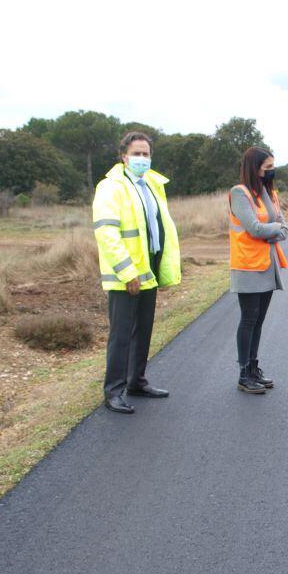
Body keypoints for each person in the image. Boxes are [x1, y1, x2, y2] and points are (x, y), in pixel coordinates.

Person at [92, 131, 181, 414]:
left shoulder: (150, 184)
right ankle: (114, 391)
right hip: (126, 275)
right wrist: (126, 271)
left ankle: (136, 381)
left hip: (148, 270)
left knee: (143, 330)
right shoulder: (112, 187)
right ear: (123, 156)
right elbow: (107, 233)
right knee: (121, 335)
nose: (142, 158)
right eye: (137, 153)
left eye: (146, 154)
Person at [229, 146, 288, 394]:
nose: (271, 172)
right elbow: (253, 228)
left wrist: (274, 228)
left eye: (273, 167)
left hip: (267, 263)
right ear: (255, 168)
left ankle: (254, 368)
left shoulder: (269, 194)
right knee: (249, 318)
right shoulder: (239, 194)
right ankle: (244, 373)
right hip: (248, 265)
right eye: (267, 168)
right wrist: (274, 229)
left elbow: (284, 226)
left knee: (259, 320)